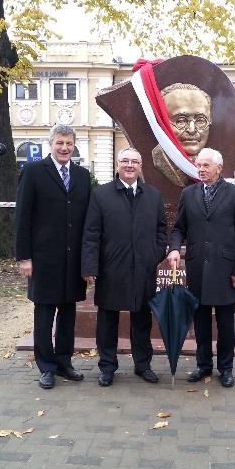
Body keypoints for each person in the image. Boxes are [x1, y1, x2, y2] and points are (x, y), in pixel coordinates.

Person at [81, 148, 167, 386]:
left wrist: (154, 255)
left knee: (142, 320)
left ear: (141, 166)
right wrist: (90, 267)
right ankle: (107, 367)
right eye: (125, 161)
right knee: (107, 321)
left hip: (144, 269)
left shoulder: (153, 195)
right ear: (117, 165)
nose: (130, 165)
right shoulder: (101, 195)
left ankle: (143, 365)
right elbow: (91, 234)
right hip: (111, 269)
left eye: (135, 162)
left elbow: (162, 231)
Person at [15, 124, 92, 389]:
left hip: (73, 261)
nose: (64, 148)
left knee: (69, 312)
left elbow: (87, 220)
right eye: (60, 143)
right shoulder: (34, 172)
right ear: (51, 144)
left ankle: (64, 362)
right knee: (45, 313)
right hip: (43, 258)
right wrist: (24, 257)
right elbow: (22, 217)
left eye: (69, 144)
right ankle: (46, 366)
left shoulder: (82, 176)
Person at [167, 147, 235, 388]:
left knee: (225, 324)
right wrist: (174, 248)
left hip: (225, 270)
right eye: (199, 165)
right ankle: (203, 365)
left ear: (219, 168)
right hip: (197, 268)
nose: (200, 170)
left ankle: (226, 368)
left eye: (205, 166)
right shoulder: (189, 193)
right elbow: (180, 228)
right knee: (201, 322)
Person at [151, 83, 212, 187]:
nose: (192, 130)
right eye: (180, 121)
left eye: (201, 120)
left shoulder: (212, 162)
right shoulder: (159, 158)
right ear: (162, 123)